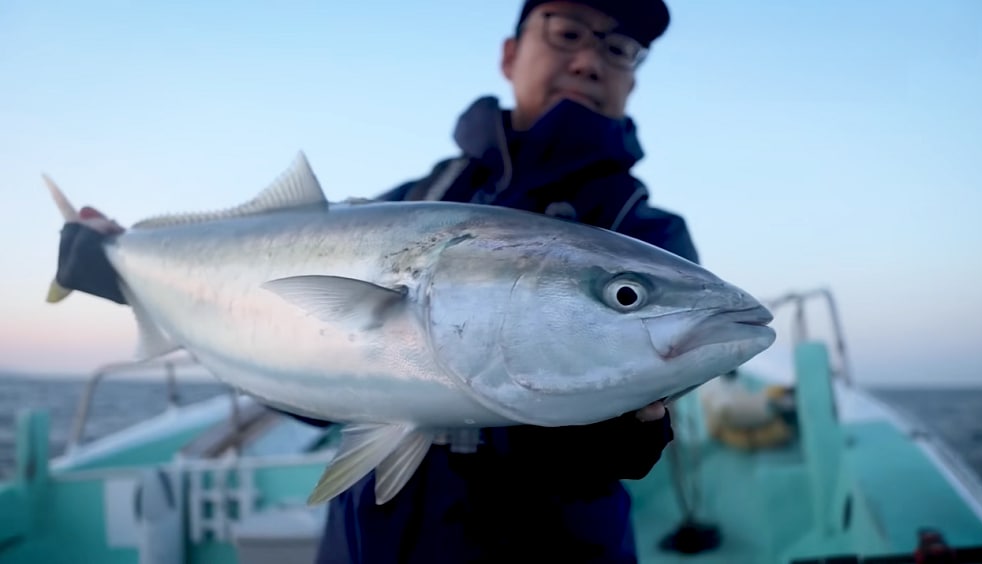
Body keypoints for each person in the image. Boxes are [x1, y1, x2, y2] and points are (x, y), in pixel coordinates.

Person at [52, 1, 701, 562]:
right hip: (369, 547)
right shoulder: (415, 201)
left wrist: (623, 428)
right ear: (510, 54)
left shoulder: (651, 237)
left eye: (620, 49)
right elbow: (305, 341)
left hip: (557, 549)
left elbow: (648, 391)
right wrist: (131, 274)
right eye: (567, 33)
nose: (591, 61)